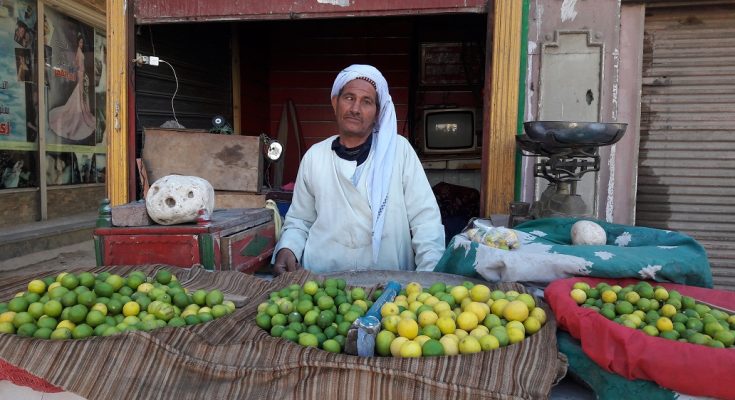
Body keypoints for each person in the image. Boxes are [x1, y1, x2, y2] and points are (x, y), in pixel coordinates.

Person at [272, 64, 445, 275]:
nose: (355, 109)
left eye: (367, 101)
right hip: (323, 284)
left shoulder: (400, 151)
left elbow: (425, 220)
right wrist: (288, 248)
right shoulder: (314, 157)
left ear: (377, 112)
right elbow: (300, 219)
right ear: (335, 102)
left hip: (390, 283)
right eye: (349, 98)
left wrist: (429, 276)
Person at [48, 32, 95, 142]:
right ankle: (78, 115)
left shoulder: (80, 51)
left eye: (82, 42)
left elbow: (78, 64)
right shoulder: (78, 52)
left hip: (82, 74)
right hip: (80, 74)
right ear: (78, 43)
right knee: (79, 94)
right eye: (80, 42)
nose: (82, 44)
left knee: (81, 95)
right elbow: (77, 64)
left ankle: (82, 112)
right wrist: (80, 72)